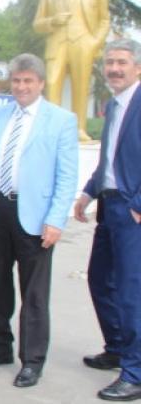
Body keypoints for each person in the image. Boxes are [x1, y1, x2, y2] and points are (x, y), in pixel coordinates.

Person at [0, 53, 78, 388]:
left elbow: (66, 175)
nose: (21, 87)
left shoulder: (61, 120)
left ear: (41, 83)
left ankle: (32, 361)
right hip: (0, 209)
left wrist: (56, 219)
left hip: (36, 216)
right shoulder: (2, 115)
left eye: (28, 81)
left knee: (33, 293)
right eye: (16, 81)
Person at [74, 39, 141, 401]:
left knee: (132, 293)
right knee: (101, 280)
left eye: (122, 62)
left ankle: (135, 371)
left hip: (133, 210)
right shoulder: (114, 106)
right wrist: (88, 192)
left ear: (138, 68)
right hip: (109, 205)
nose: (114, 68)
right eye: (110, 62)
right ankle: (116, 347)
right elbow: (109, 159)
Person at [33, 0, 110, 140]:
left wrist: (95, 42)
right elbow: (37, 24)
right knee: (51, 84)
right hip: (57, 43)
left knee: (81, 86)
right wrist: (52, 21)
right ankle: (53, 130)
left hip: (83, 42)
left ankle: (79, 129)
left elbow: (105, 20)